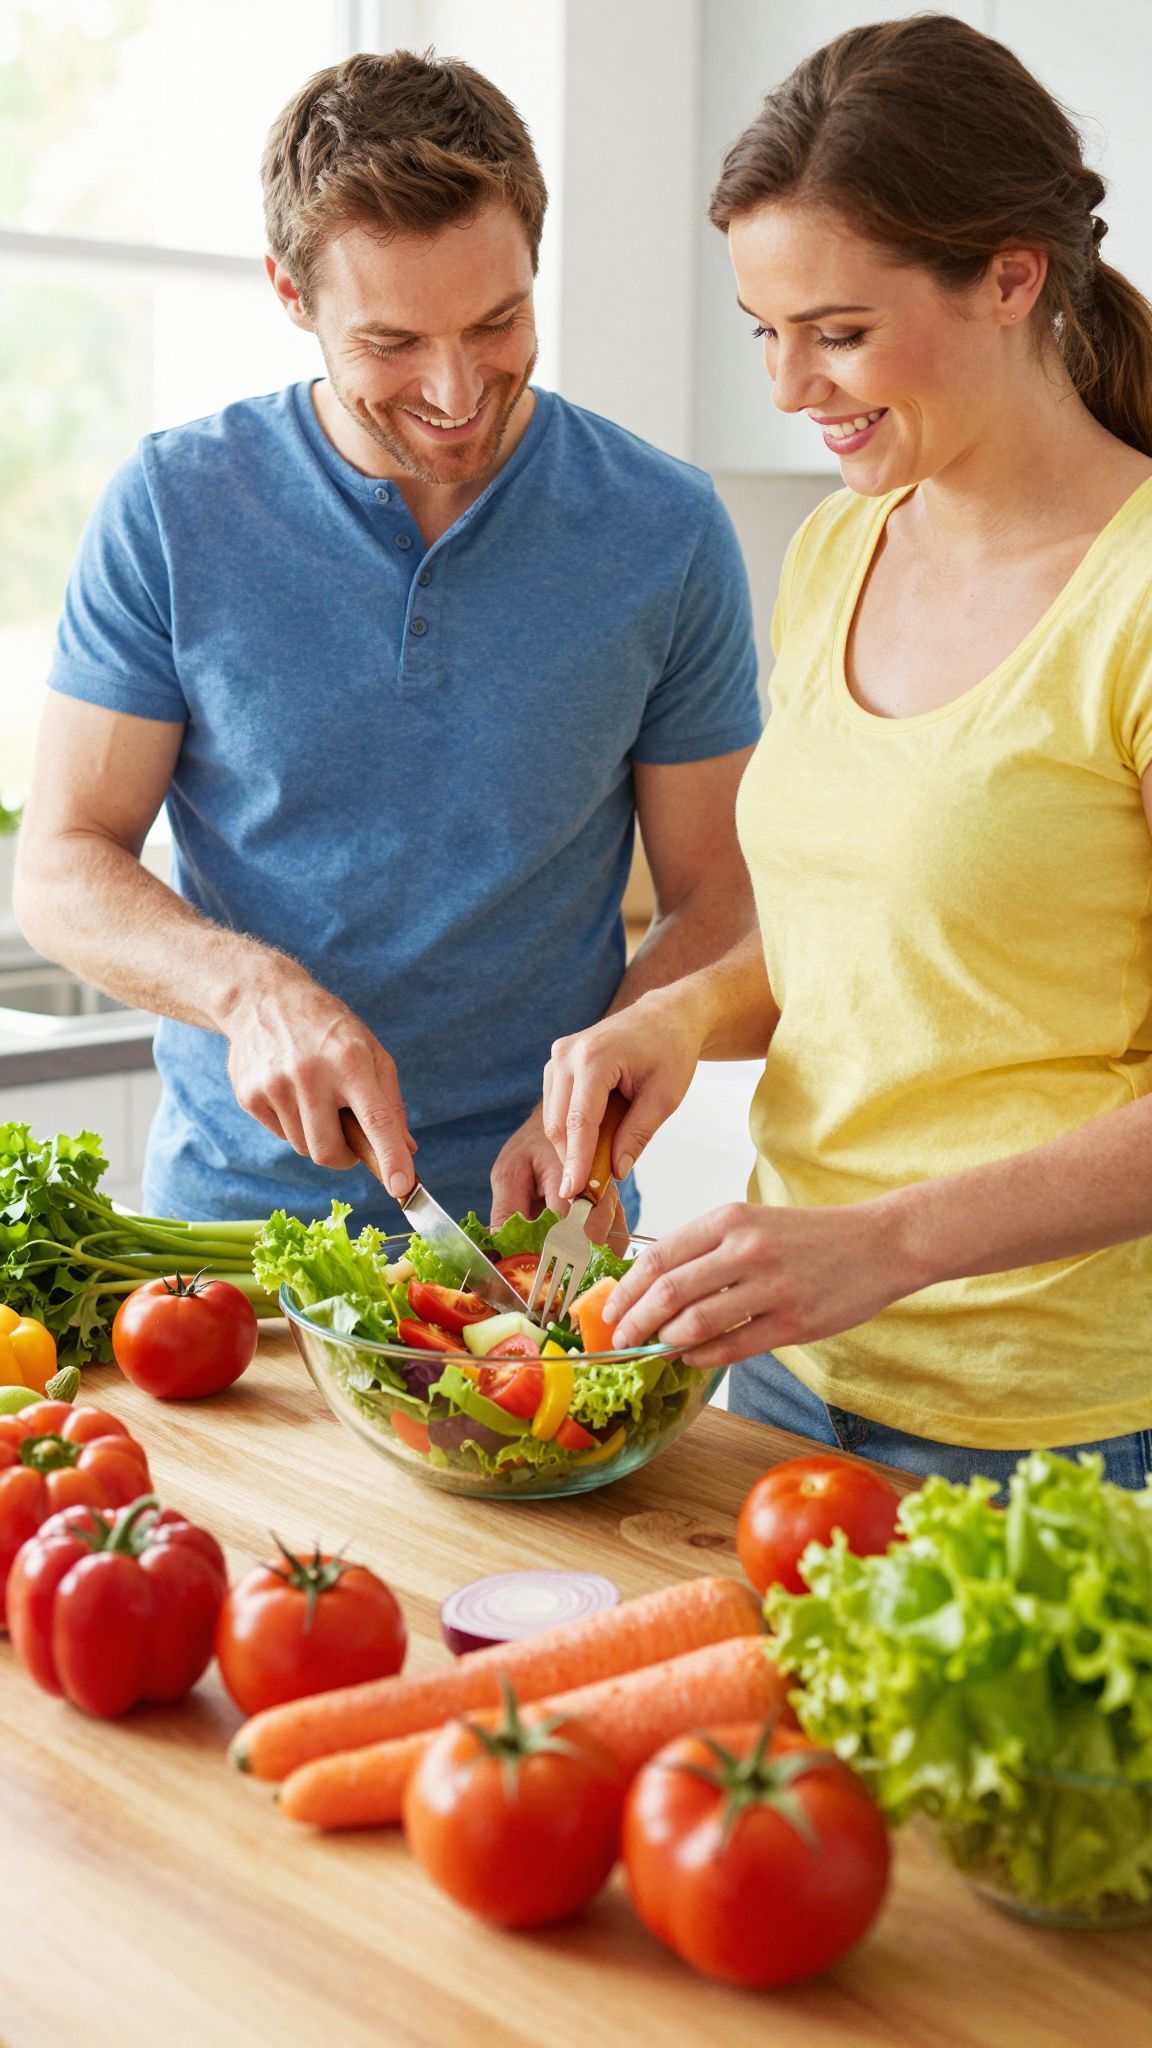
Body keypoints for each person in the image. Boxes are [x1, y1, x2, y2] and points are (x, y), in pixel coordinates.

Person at [542, 14, 1152, 1490]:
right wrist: (683, 1019)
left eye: (839, 332)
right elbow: (882, 952)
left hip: (1046, 1426)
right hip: (784, 1372)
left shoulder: (1133, 597)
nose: (788, 387)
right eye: (765, 330)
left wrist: (888, 1244)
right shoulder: (838, 546)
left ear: (1012, 273)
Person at [14, 50, 759, 1233]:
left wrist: (607, 1096)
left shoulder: (662, 529)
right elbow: (59, 863)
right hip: (231, 1246)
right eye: (393, 342)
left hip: (545, 1237)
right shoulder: (174, 507)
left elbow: (718, 898)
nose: (459, 390)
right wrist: (247, 987)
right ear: (290, 293)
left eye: (499, 320)